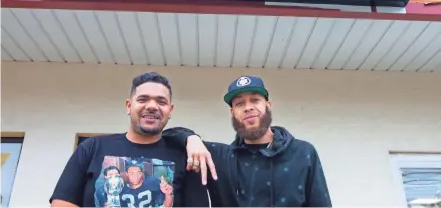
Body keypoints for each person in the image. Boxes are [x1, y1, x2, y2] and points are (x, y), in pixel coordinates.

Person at [50, 72, 215, 207]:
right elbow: (62, 202)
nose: (151, 106)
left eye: (161, 101)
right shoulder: (92, 147)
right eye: (143, 99)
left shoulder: (184, 158)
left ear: (170, 110)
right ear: (129, 106)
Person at [163, 75, 332, 207]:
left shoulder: (302, 152)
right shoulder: (220, 158)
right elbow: (168, 135)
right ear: (232, 112)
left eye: (255, 100)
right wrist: (191, 138)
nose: (248, 107)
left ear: (268, 105)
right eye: (239, 103)